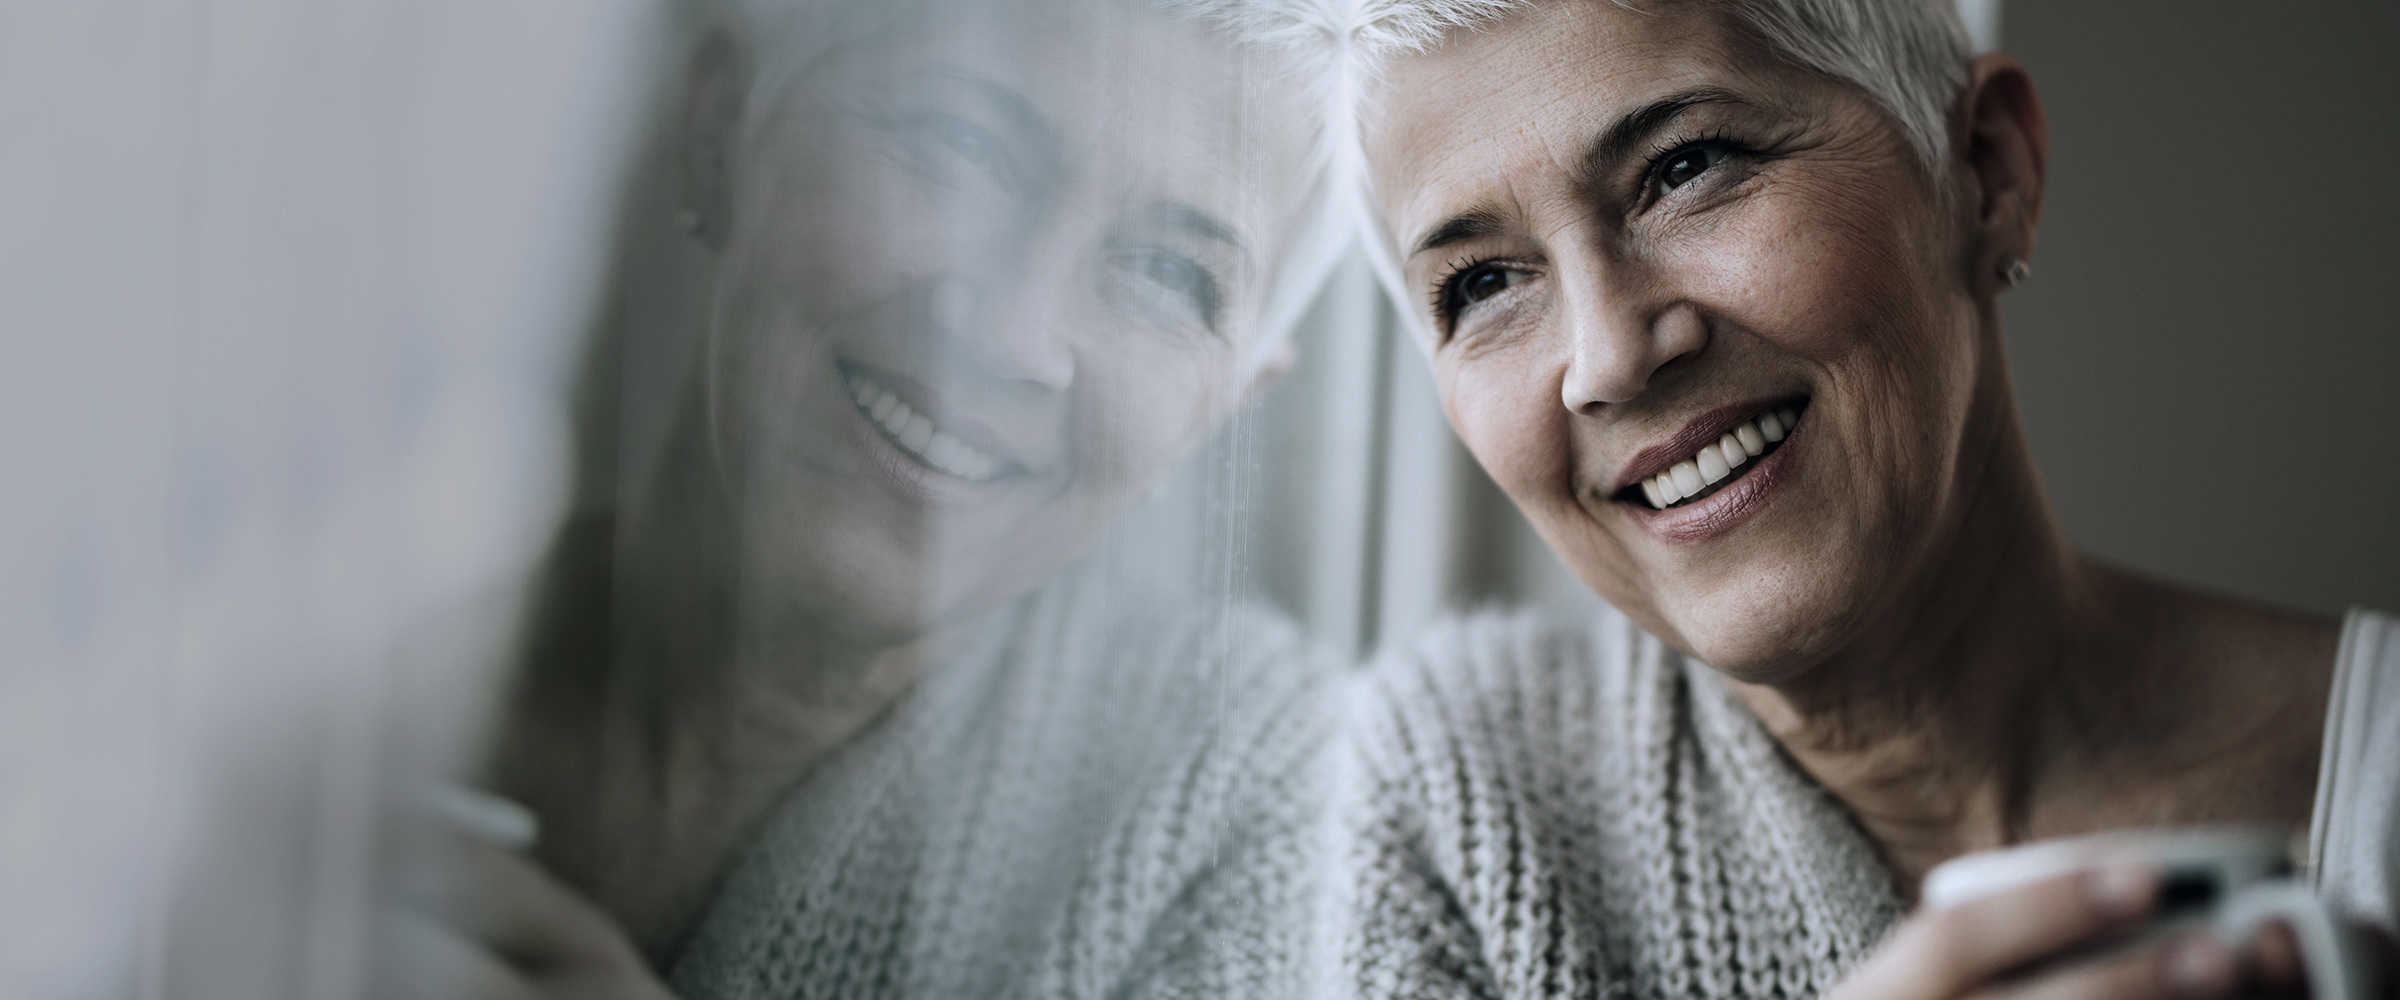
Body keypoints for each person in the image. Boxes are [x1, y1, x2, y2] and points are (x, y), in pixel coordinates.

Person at [1231, 0, 2400, 997]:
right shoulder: (1450, 802)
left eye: (1685, 168)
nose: (1610, 357)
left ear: (1988, 170)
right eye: (1481, 283)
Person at [368, 1, 1344, 997]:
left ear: (1228, 403)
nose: (1011, 335)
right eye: (959, 142)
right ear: (718, 129)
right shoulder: (354, 640)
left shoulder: (1272, 806)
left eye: (1171, 275)